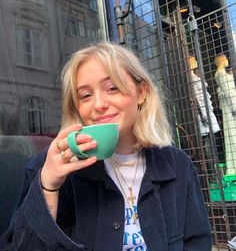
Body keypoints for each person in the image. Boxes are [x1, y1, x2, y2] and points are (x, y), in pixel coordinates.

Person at [0, 42, 212, 251]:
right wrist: (48, 186)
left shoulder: (177, 165)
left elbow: (197, 242)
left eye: (112, 88)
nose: (99, 104)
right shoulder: (50, 167)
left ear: (141, 92)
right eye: (85, 96)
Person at [215, 54, 236, 175]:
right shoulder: (221, 73)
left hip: (230, 106)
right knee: (232, 135)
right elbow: (228, 92)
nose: (227, 60)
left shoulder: (223, 73)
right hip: (230, 108)